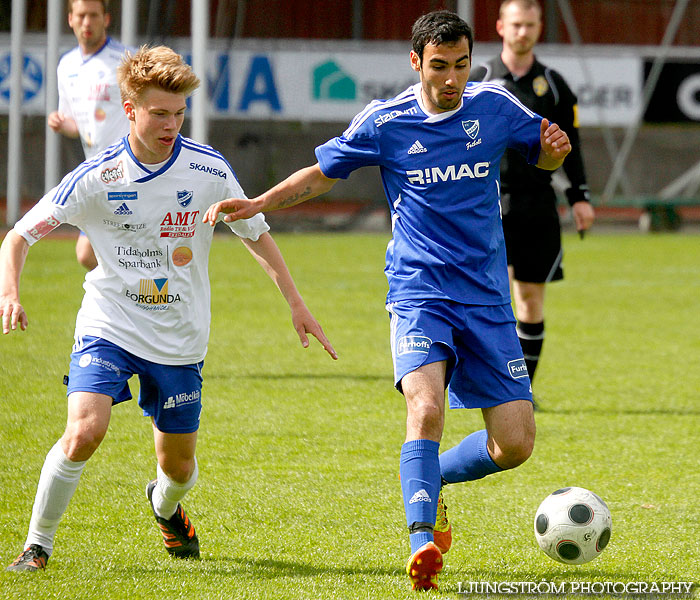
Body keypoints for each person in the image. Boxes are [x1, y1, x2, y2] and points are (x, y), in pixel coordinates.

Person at [203, 10, 571, 592]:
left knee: (516, 443)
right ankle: (421, 540)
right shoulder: (387, 120)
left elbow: (543, 155)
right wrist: (259, 202)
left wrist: (553, 151)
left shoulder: (497, 106)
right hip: (419, 289)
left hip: (485, 298)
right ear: (416, 63)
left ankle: (434, 478)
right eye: (439, 66)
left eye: (461, 65)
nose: (451, 78)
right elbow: (323, 174)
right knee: (425, 409)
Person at [1, 45, 337, 573]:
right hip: (109, 323)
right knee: (84, 431)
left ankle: (165, 507)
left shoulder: (208, 170)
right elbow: (18, 237)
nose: (171, 124)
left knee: (177, 468)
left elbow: (254, 233)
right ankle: (36, 545)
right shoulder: (98, 177)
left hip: (179, 339)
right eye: (160, 113)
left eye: (179, 113)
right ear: (130, 110)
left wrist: (296, 302)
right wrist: (10, 293)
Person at [469, 0, 595, 384]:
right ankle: (481, 380)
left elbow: (570, 144)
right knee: (486, 297)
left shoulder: (554, 85)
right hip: (486, 202)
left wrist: (580, 197)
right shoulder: (479, 77)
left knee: (530, 300)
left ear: (540, 28)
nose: (523, 31)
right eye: (516, 24)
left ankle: (521, 390)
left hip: (538, 203)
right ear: (501, 27)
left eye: (530, 25)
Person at [49, 0, 131, 271]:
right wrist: (62, 124)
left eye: (93, 15)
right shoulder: (66, 65)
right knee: (88, 254)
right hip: (97, 172)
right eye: (81, 15)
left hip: (130, 169)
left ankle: (141, 289)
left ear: (106, 19)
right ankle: (136, 288)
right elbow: (78, 126)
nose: (87, 22)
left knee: (89, 251)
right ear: (70, 19)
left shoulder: (124, 60)